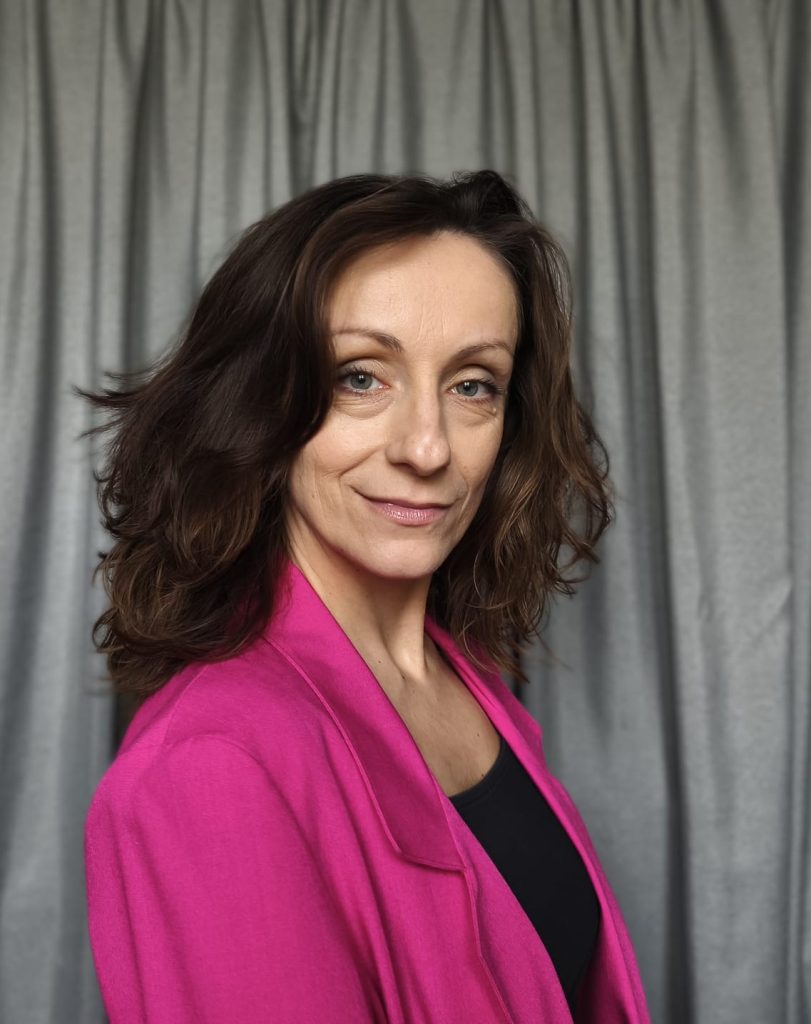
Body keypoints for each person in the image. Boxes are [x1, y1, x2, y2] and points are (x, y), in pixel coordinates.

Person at [77, 170, 651, 1023]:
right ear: (258, 401)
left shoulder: (467, 678)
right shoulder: (208, 768)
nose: (426, 447)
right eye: (359, 377)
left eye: (472, 384)